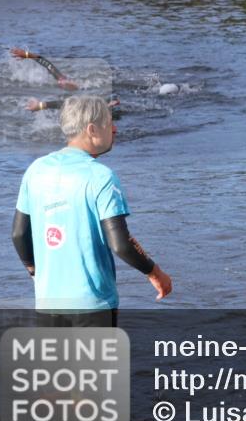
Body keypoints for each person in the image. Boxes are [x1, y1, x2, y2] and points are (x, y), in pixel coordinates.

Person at [12, 95, 172, 326]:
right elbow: (120, 242)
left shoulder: (36, 170)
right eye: (109, 123)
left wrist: (34, 272)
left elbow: (18, 234)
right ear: (92, 129)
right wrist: (155, 274)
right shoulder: (101, 177)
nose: (115, 129)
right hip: (91, 306)